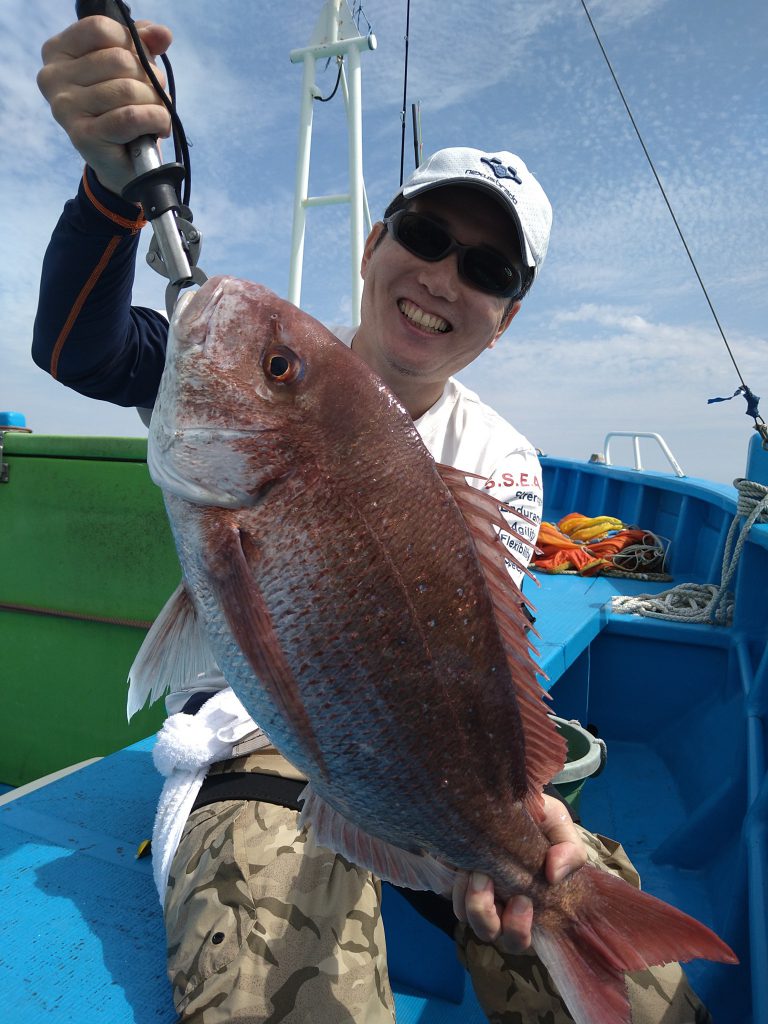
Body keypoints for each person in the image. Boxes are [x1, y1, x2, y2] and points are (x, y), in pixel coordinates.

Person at [34, 14, 712, 1024]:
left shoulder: (504, 461)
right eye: (426, 237)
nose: (444, 277)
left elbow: (471, 677)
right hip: (259, 742)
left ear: (508, 317)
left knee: (639, 985)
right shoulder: (248, 388)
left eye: (488, 271)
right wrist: (106, 192)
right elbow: (80, 350)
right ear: (373, 245)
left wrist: (523, 820)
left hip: (429, 770)